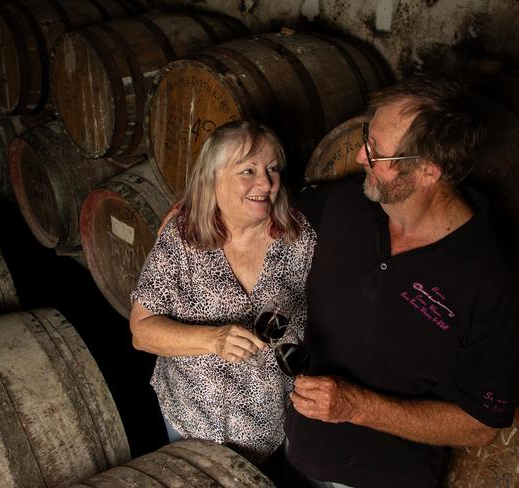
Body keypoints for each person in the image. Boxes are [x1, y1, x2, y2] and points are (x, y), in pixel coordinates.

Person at [284, 73, 519, 487]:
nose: (359, 157)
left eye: (377, 152)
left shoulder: (493, 284)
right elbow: (271, 214)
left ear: (428, 171)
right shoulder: (345, 204)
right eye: (365, 138)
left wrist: (356, 407)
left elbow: (479, 424)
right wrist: (201, 206)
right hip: (292, 455)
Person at [129, 120, 316, 464]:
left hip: (268, 423)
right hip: (190, 418)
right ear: (213, 177)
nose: (266, 182)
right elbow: (141, 331)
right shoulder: (183, 238)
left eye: (272, 168)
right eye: (248, 170)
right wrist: (214, 340)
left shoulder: (299, 237)